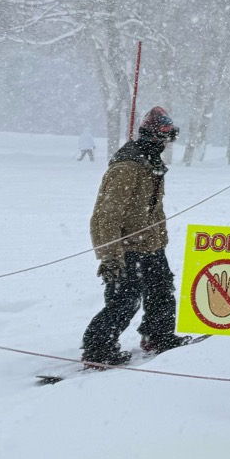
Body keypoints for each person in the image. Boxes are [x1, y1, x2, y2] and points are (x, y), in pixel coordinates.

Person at [81, 107, 191, 366]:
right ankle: (98, 349)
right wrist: (109, 257)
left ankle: (159, 336)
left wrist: (159, 238)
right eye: (163, 136)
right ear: (152, 136)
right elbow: (104, 217)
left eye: (169, 137)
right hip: (127, 247)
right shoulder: (128, 167)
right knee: (124, 301)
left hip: (151, 244)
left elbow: (152, 209)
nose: (166, 142)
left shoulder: (152, 163)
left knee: (162, 291)